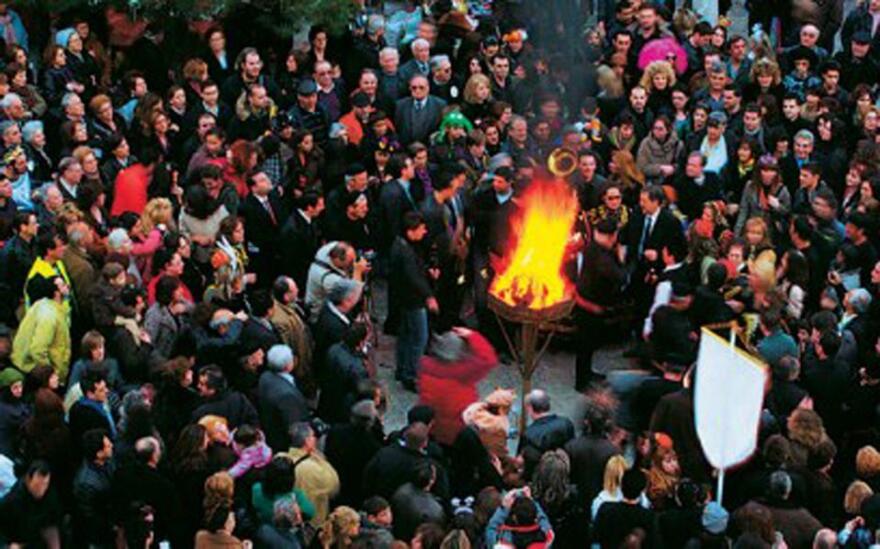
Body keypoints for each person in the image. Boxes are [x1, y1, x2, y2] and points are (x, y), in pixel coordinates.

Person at [390, 212, 438, 391]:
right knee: (419, 338)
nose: (424, 232)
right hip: (413, 301)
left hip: (403, 299)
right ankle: (412, 376)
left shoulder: (401, 244)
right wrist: (429, 296)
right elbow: (413, 277)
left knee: (405, 335)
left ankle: (402, 369)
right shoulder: (405, 251)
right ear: (410, 231)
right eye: (421, 229)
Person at [284, 422, 340, 526]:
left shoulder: (280, 459)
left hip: (286, 519)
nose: (316, 439)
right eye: (313, 436)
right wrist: (319, 457)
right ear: (307, 441)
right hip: (313, 523)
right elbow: (334, 487)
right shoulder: (315, 468)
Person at [258, 344, 309, 451]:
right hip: (283, 443)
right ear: (288, 366)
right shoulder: (287, 396)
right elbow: (295, 428)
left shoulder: (265, 376)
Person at [519, 389, 575, 478]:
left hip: (542, 478)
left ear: (530, 408)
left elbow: (523, 462)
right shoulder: (566, 423)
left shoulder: (529, 434)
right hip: (566, 474)